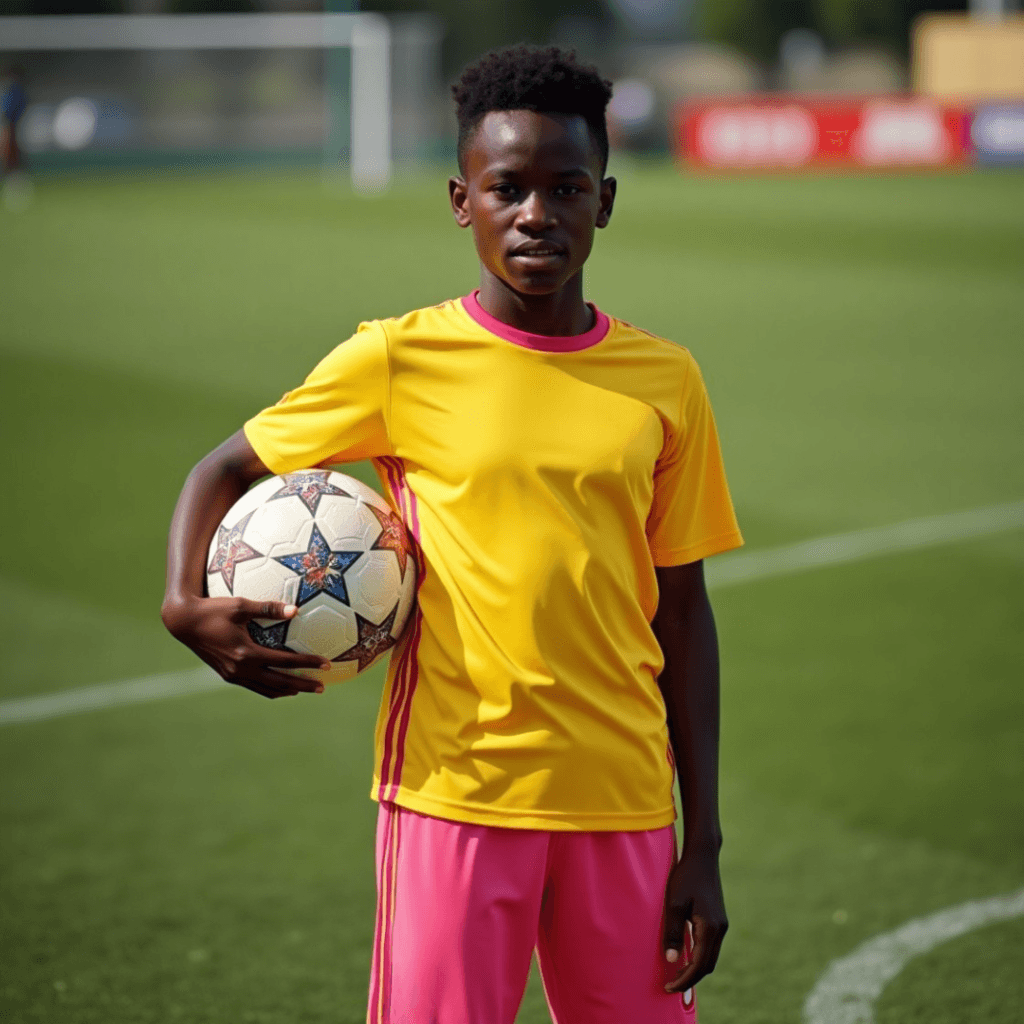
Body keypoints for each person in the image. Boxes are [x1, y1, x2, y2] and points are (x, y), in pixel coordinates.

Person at [162, 46, 742, 1024]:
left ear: (604, 201)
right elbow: (222, 471)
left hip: (626, 800)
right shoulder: (398, 357)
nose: (535, 215)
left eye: (564, 189)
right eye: (505, 189)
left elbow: (681, 611)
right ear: (459, 199)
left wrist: (705, 844)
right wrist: (184, 598)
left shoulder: (666, 380)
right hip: (455, 793)